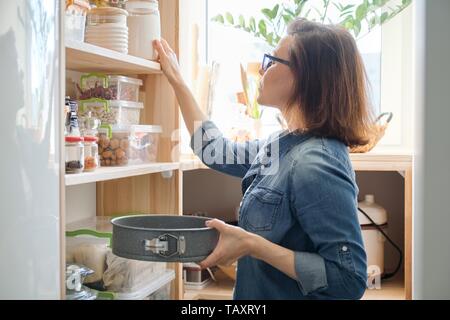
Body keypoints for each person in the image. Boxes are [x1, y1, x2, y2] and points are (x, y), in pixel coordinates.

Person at [153, 18, 372, 300]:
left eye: (271, 61)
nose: (262, 70)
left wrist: (252, 245)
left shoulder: (316, 163)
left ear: (304, 77)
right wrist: (178, 81)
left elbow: (348, 280)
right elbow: (215, 150)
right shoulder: (282, 144)